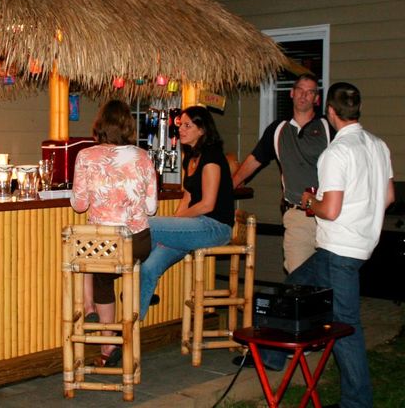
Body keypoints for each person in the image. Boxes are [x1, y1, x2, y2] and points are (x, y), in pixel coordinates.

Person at [250, 82, 394, 407]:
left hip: (340, 250)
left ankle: (357, 402)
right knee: (294, 288)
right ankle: (272, 355)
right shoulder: (378, 145)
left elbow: (329, 209)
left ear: (329, 111)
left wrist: (308, 201)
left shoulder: (336, 152)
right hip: (356, 247)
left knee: (346, 326)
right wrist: (362, 214)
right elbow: (388, 197)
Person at [71, 100, 157, 367]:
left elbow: (79, 204)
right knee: (101, 272)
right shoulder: (143, 157)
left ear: (99, 126)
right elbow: (151, 208)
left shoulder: (85, 156)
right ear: (128, 126)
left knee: (90, 259)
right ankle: (110, 345)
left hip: (103, 245)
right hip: (137, 242)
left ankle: (90, 311)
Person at [140, 106, 235, 319]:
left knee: (148, 223)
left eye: (187, 125)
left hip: (215, 227)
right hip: (195, 228)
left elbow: (207, 205)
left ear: (202, 130)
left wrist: (173, 225)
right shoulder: (190, 158)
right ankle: (130, 328)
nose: (180, 129)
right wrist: (174, 227)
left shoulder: (212, 157)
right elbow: (188, 197)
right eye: (180, 125)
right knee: (148, 267)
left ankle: (130, 265)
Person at [232, 73, 332, 273]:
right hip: (298, 214)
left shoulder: (328, 128)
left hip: (329, 215)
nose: (304, 96)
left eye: (310, 92)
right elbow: (255, 159)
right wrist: (231, 184)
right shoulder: (278, 129)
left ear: (317, 98)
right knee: (298, 273)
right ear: (292, 93)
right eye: (300, 91)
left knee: (327, 276)